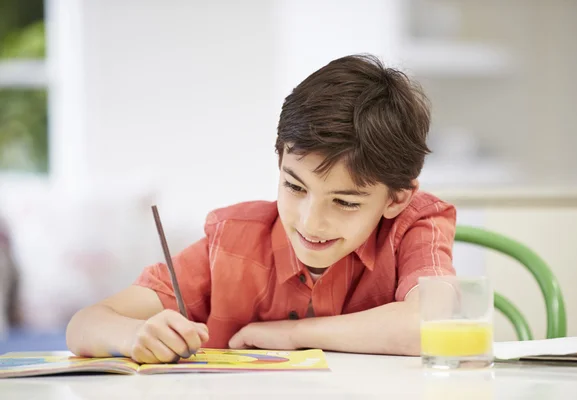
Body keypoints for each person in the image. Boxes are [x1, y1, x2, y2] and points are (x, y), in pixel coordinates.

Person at [66, 54, 456, 364]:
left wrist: (291, 336)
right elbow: (85, 324)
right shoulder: (234, 242)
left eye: (344, 201)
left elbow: (432, 324)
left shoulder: (416, 224)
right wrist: (136, 336)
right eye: (294, 186)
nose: (310, 222)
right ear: (279, 163)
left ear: (396, 198)